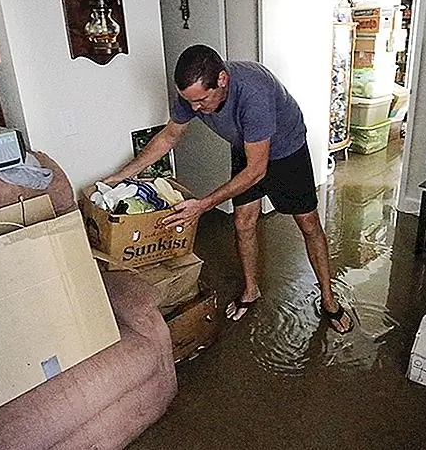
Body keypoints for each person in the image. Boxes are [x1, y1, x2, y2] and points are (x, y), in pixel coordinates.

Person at [104, 45, 353, 333]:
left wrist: (203, 204)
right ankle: (251, 290)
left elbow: (257, 170)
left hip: (287, 150)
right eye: (190, 101)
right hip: (246, 146)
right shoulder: (192, 95)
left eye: (201, 100)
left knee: (308, 224)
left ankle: (329, 299)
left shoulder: (254, 93)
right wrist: (120, 176)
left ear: (222, 80)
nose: (194, 109)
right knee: (243, 222)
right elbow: (170, 136)